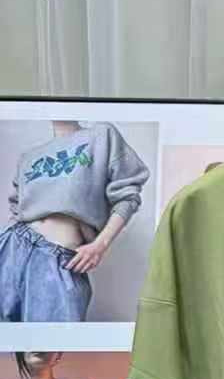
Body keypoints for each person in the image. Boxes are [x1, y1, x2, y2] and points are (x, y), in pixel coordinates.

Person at [0, 120, 150, 321]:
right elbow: (16, 209)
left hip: (60, 259)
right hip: (11, 249)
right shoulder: (28, 157)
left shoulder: (101, 136)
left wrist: (100, 245)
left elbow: (128, 197)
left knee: (51, 340)